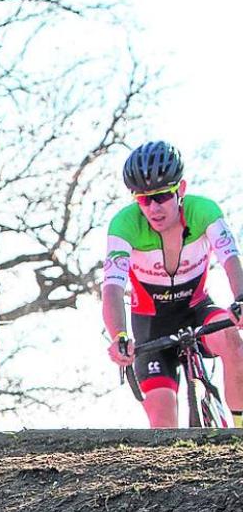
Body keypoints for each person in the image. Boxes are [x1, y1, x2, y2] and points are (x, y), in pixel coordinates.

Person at [102, 142, 243, 428]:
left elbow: (231, 259)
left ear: (181, 189)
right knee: (163, 422)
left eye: (162, 196)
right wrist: (118, 335)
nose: (153, 208)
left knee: (232, 342)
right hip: (151, 323)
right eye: (144, 200)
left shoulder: (204, 211)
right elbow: (112, 288)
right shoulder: (124, 225)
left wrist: (241, 298)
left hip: (197, 309)